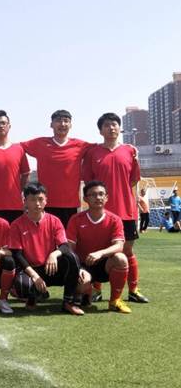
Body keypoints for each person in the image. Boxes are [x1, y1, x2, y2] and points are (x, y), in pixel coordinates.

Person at [82, 112, 149, 303]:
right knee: (97, 250)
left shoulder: (130, 151)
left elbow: (133, 180)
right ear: (100, 130)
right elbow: (88, 182)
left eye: (114, 124)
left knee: (127, 251)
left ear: (119, 128)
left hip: (126, 211)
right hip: (99, 213)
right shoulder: (92, 153)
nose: (111, 128)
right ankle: (96, 290)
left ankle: (133, 290)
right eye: (106, 125)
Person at [10, 182, 84, 315]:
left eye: (40, 199)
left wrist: (54, 254)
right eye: (33, 200)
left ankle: (68, 302)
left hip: (51, 267)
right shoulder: (16, 224)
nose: (37, 204)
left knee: (72, 258)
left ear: (46, 201)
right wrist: (34, 276)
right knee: (22, 285)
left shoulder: (54, 221)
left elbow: (64, 246)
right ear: (25, 201)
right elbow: (17, 254)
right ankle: (34, 296)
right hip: (30, 269)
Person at [67, 181, 131, 313]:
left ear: (106, 197)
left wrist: (100, 253)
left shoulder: (115, 219)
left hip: (105, 265)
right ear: (85, 199)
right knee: (82, 285)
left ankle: (115, 301)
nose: (98, 197)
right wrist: (77, 269)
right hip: (84, 265)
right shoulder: (76, 219)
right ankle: (87, 291)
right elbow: (70, 248)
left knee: (121, 259)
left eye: (101, 194)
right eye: (93, 195)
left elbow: (119, 245)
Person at [21, 110, 92, 228]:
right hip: (44, 203)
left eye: (66, 121)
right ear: (51, 124)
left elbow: (100, 149)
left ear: (70, 125)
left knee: (67, 238)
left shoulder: (80, 145)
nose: (62, 124)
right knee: (45, 236)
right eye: (58, 121)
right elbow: (16, 148)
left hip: (70, 205)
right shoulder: (40, 143)